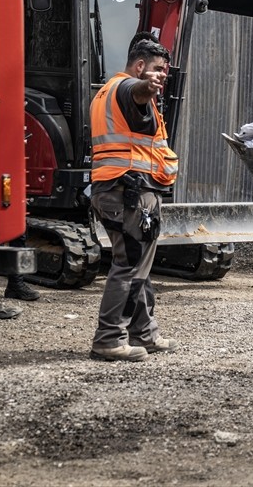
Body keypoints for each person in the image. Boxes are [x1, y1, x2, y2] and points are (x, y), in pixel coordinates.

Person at [88, 36, 180, 362]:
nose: (161, 76)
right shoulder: (128, 89)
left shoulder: (104, 91)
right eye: (156, 70)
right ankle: (109, 338)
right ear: (140, 66)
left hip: (112, 189)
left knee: (135, 262)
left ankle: (145, 333)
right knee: (128, 266)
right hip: (129, 191)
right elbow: (137, 92)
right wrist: (148, 86)